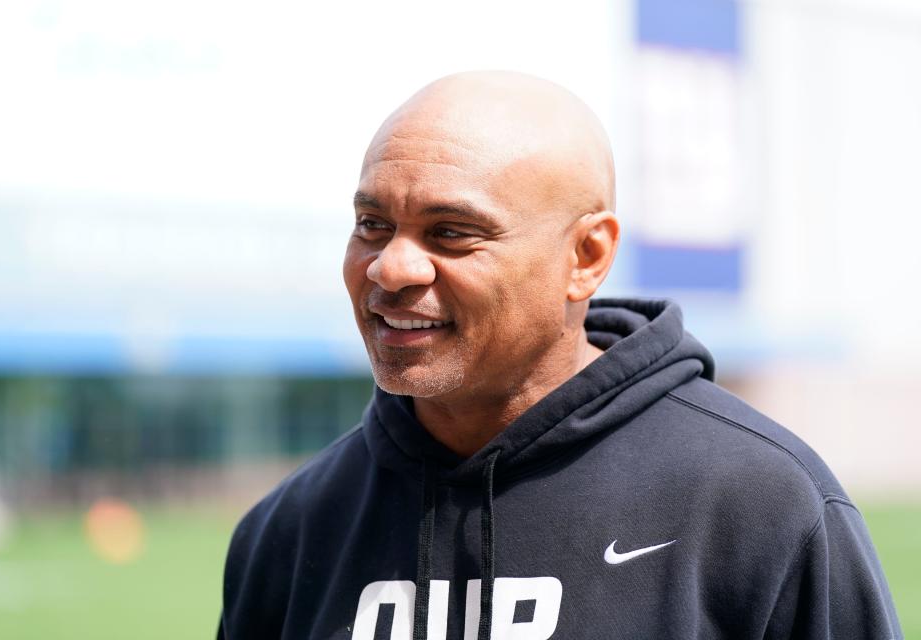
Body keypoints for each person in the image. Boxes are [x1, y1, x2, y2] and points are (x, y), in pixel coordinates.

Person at [218, 71, 901, 639]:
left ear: (587, 256)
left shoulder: (760, 505)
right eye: (373, 224)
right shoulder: (293, 529)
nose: (390, 268)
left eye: (451, 233)